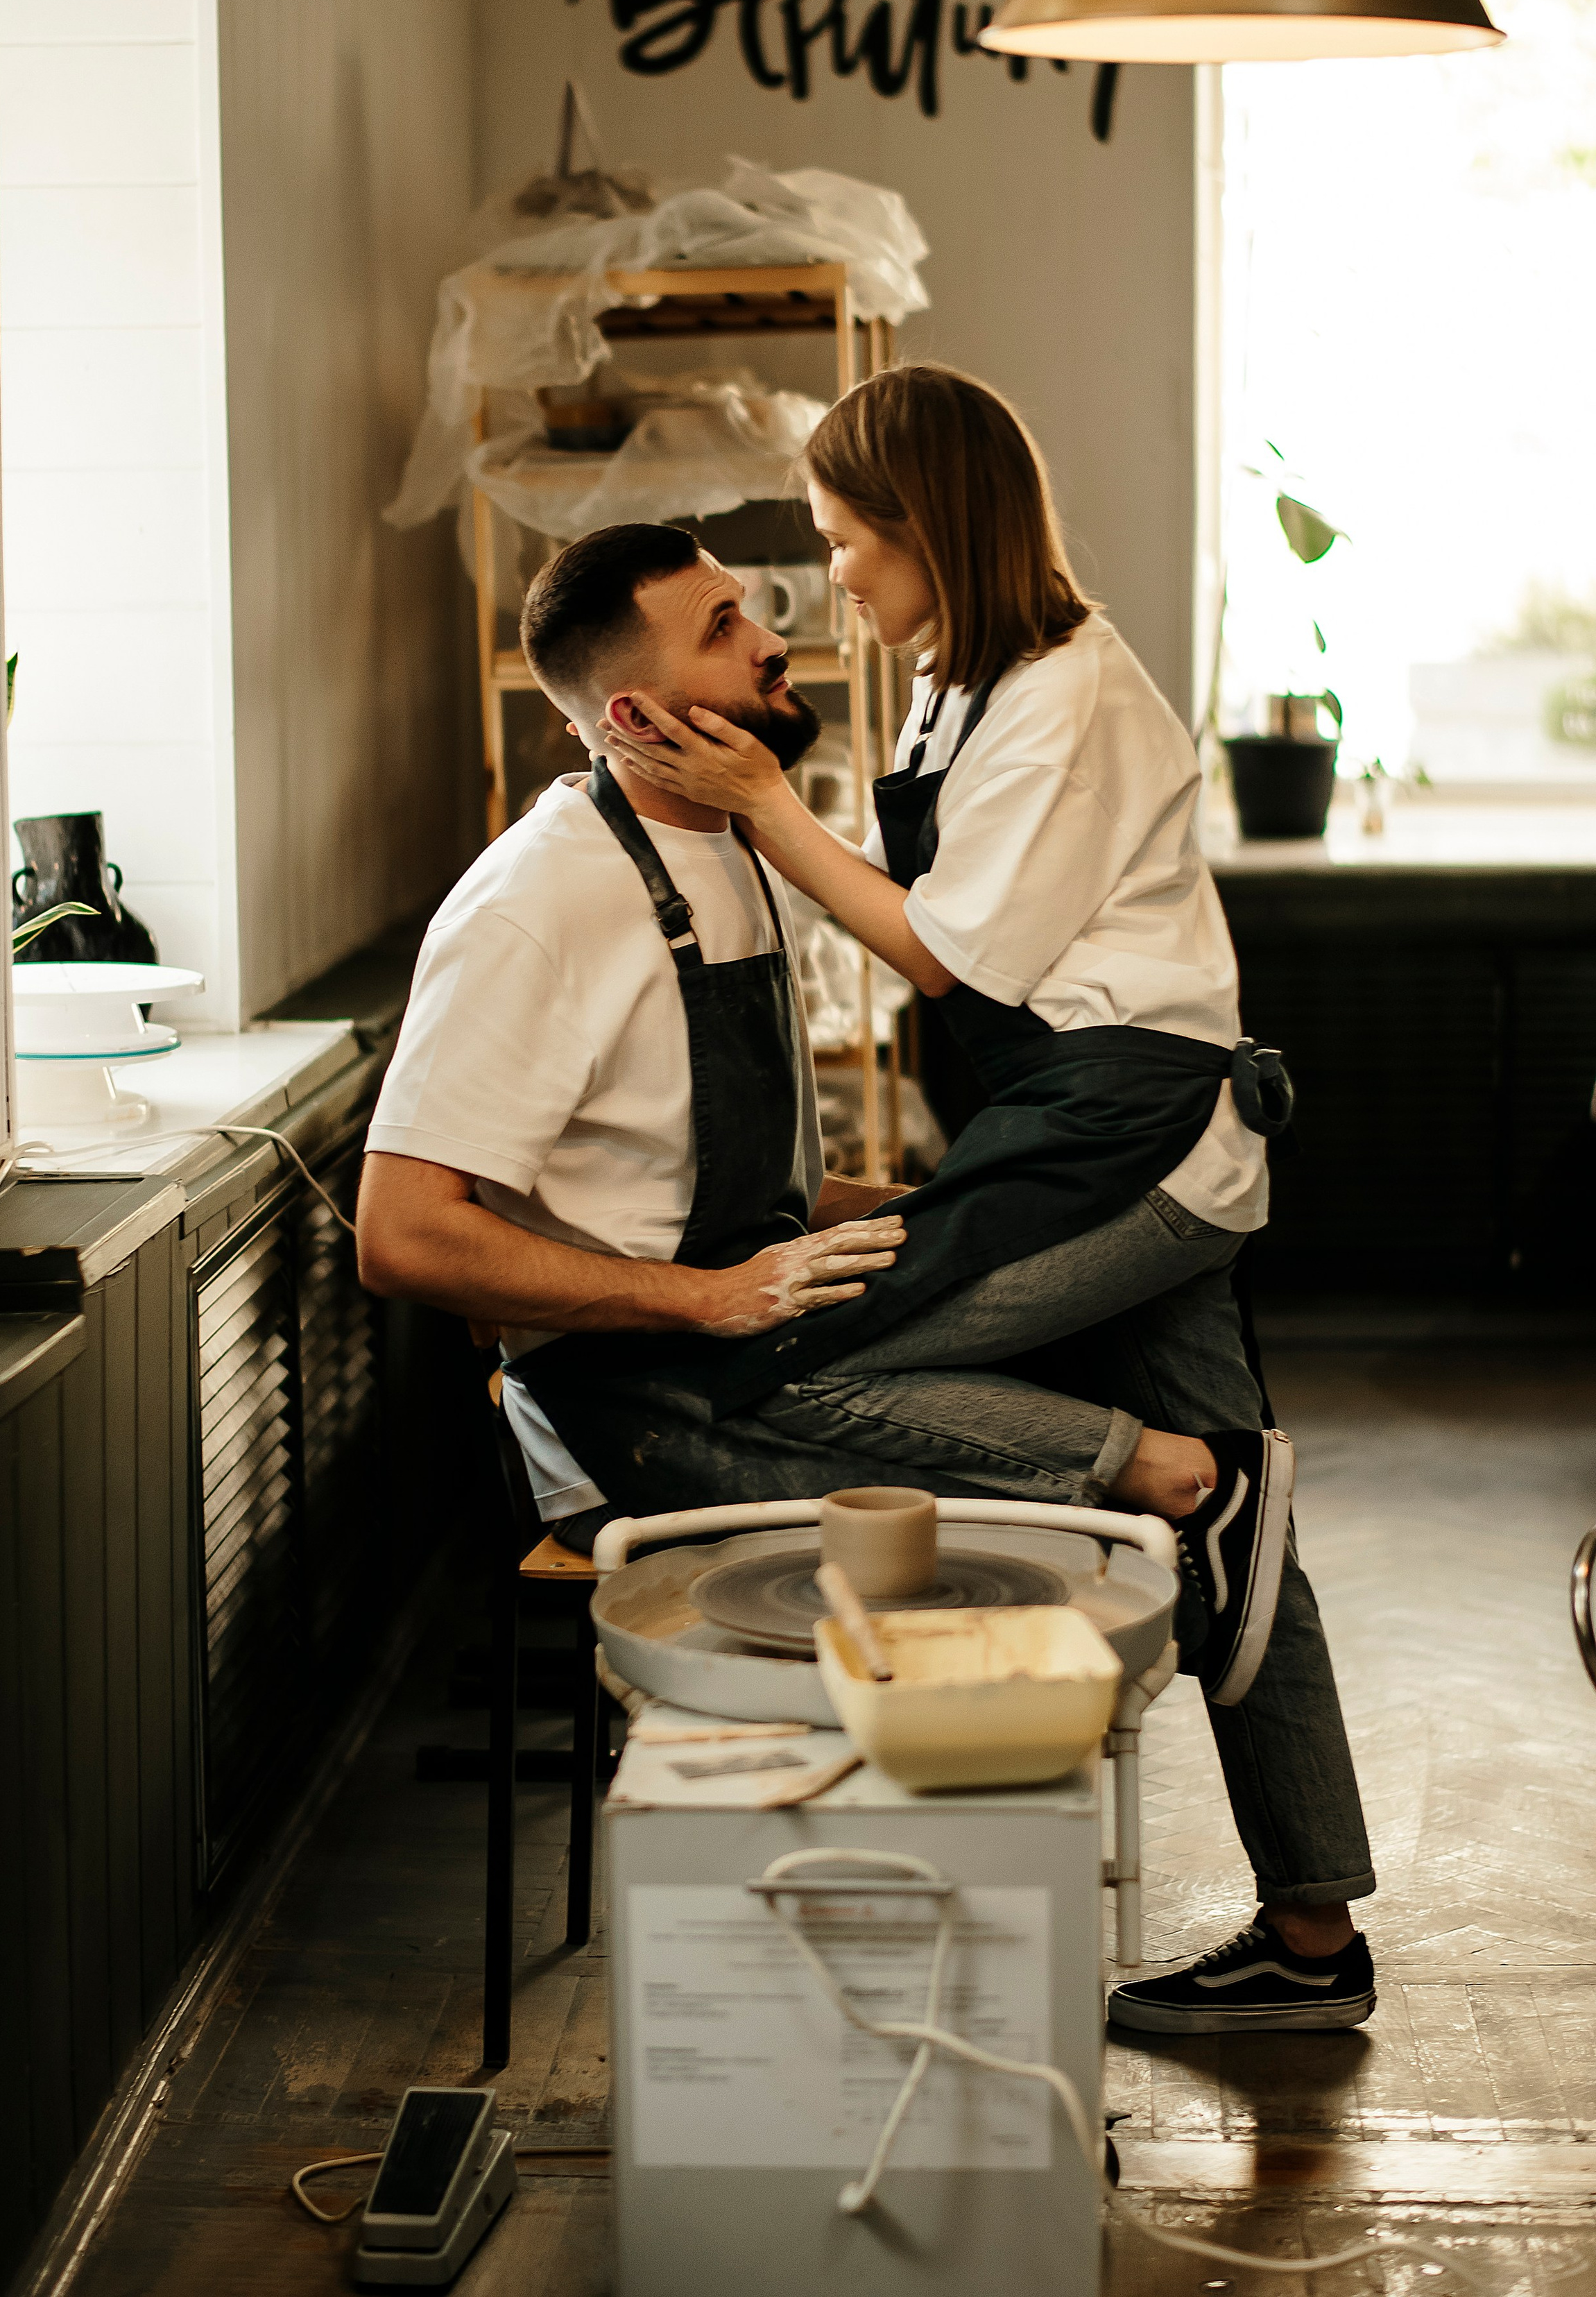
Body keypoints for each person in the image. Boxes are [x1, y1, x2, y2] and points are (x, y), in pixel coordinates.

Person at [357, 494, 1377, 2036]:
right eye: (724, 627)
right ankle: (1172, 1483)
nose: (774, 635)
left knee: (1115, 1343)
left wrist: (913, 1207)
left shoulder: (735, 855)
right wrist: (709, 1297)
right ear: (636, 715)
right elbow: (403, 1232)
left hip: (760, 1312)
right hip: (638, 1398)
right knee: (1126, 1446)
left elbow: (713, 1170)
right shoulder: (536, 902)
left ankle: (1305, 1918)